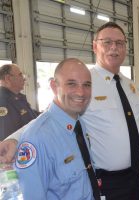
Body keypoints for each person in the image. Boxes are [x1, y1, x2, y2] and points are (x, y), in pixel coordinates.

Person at [0, 22, 139, 200]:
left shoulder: (132, 87)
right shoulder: (84, 81)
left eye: (120, 43)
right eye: (107, 42)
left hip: (134, 178)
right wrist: (15, 139)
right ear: (94, 46)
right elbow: (50, 117)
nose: (114, 48)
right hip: (105, 180)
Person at [15, 58, 98, 199]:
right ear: (54, 86)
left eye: (87, 85)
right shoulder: (36, 138)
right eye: (71, 84)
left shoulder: (79, 124)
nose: (81, 92)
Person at [0, 64, 38, 141]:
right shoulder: (3, 102)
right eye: (20, 75)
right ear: (8, 78)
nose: (24, 79)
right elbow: (8, 138)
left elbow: (29, 114)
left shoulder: (18, 97)